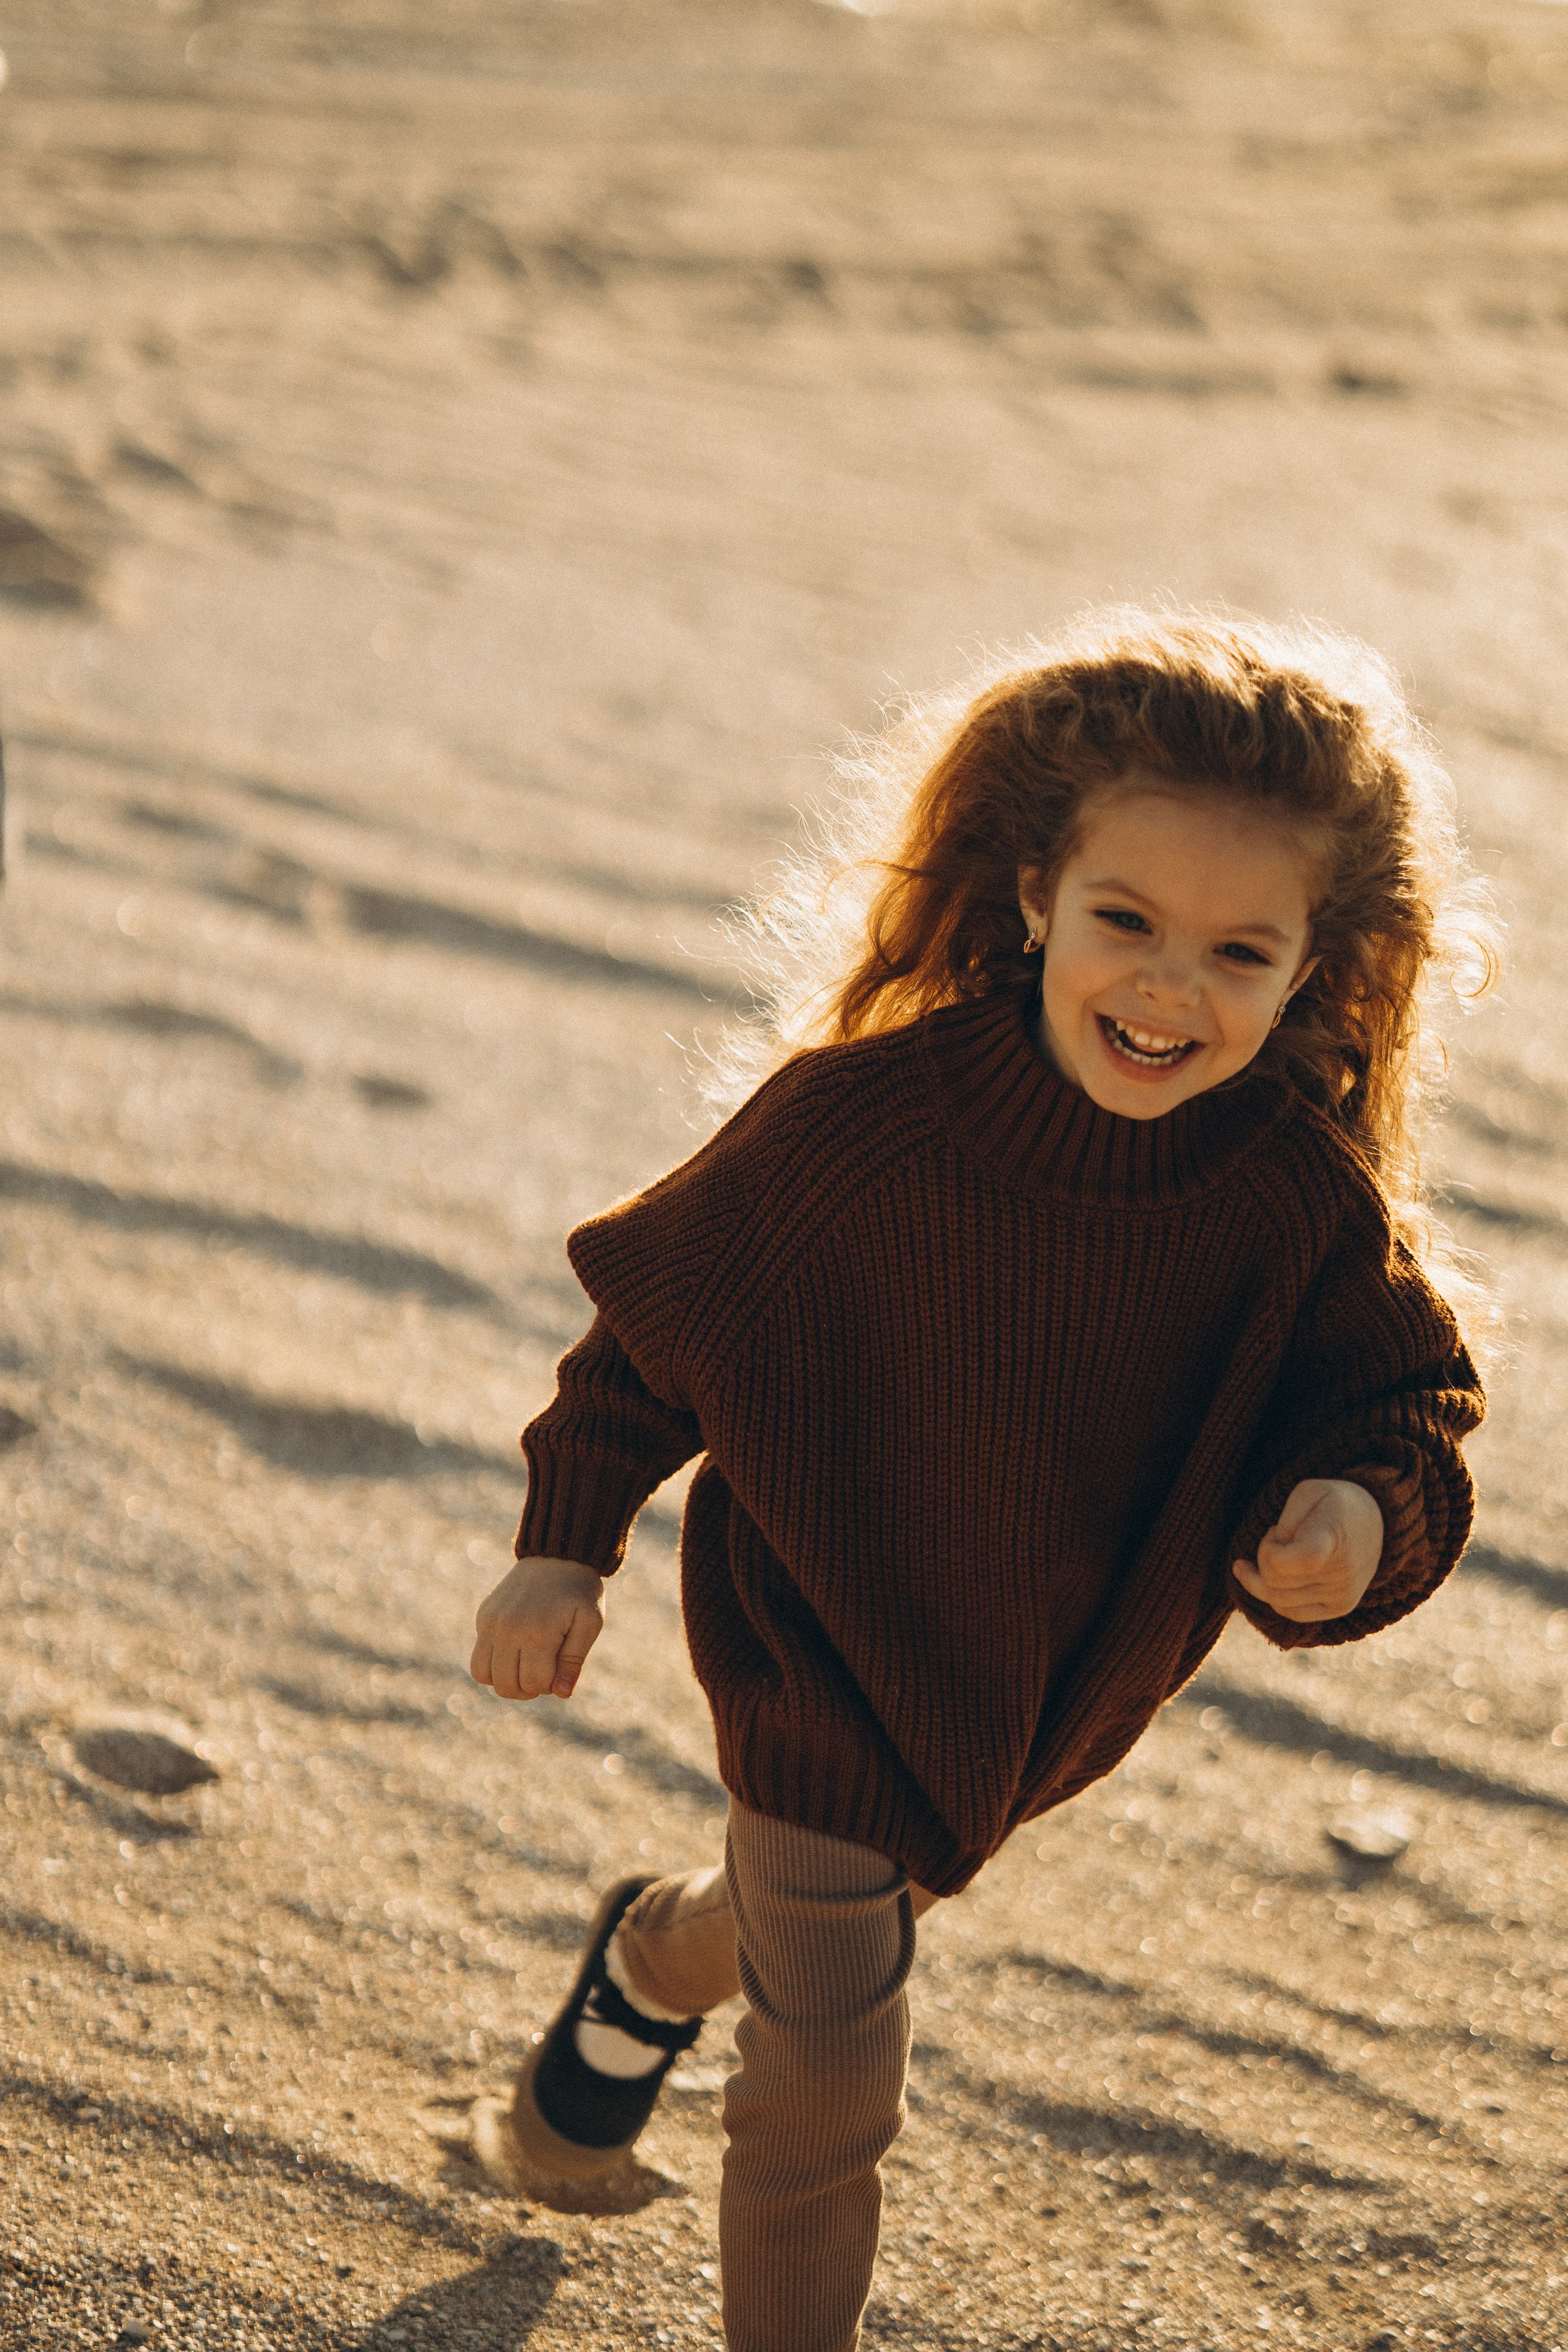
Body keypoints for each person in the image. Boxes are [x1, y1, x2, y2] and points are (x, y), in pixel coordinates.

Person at [469, 609, 1497, 2352]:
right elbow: (658, 1329)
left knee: (828, 1917)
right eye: (1126, 924)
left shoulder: (1292, 1202)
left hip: (1031, 1682)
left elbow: (1404, 1404)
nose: (1172, 991)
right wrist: (564, 1548)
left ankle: (644, 1969)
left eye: (1242, 954)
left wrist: (1360, 1521)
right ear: (1035, 897)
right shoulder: (863, 1123)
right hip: (817, 1623)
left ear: (1317, 964)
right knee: (832, 2069)